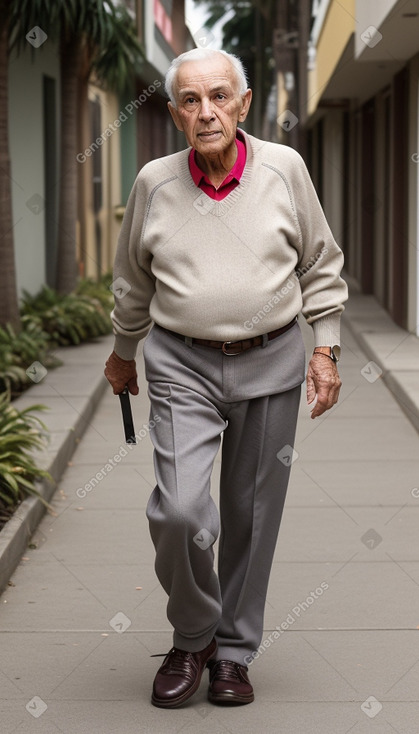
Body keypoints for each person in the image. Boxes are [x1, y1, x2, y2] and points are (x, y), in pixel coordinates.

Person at [104, 47, 348, 709]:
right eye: (189, 99)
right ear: (175, 111)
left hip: (271, 360)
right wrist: (124, 352)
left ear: (242, 105)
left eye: (218, 97)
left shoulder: (283, 169)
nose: (205, 111)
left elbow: (319, 264)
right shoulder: (154, 181)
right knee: (181, 511)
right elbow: (132, 281)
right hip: (180, 361)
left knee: (250, 515)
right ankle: (194, 637)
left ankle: (234, 653)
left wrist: (323, 350)